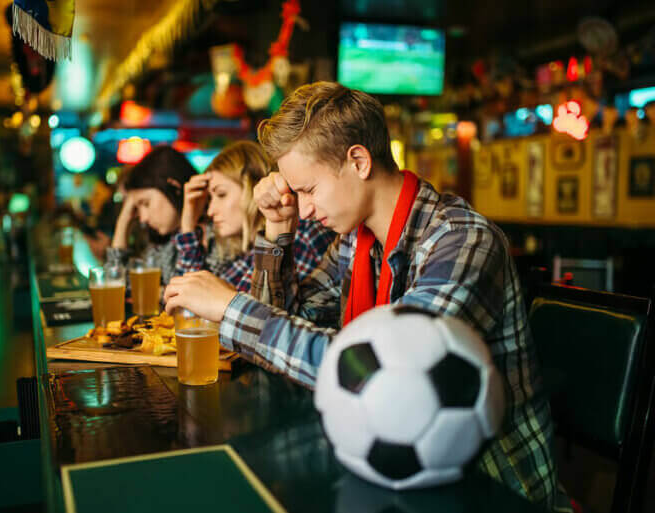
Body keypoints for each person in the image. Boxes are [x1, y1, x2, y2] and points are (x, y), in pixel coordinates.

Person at [163, 82, 572, 512]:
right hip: (394, 468)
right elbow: (280, 340)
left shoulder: (461, 240)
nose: (304, 210)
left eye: (308, 190)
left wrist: (232, 308)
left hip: (488, 490)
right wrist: (278, 231)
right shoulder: (355, 243)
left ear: (358, 161)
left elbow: (388, 382)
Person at [175, 140, 335, 291]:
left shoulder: (300, 234)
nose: (210, 211)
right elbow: (189, 297)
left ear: (254, 188)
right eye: (209, 199)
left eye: (221, 194)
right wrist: (188, 225)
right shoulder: (242, 249)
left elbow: (253, 307)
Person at [110, 145, 218, 283]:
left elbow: (187, 291)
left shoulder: (216, 234)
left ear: (174, 187)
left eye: (146, 203)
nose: (143, 218)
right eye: (137, 208)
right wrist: (122, 223)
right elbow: (120, 284)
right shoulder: (164, 242)